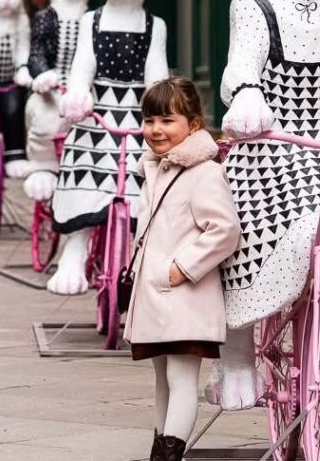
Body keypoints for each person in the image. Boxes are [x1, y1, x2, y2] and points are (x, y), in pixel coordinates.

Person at [123, 78, 241, 460]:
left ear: (193, 125)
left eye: (167, 120)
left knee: (182, 376)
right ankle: (159, 447)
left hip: (185, 296)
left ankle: (169, 454)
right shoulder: (156, 169)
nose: (156, 129)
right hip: (156, 297)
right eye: (149, 120)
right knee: (162, 378)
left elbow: (224, 229)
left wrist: (182, 267)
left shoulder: (203, 172)